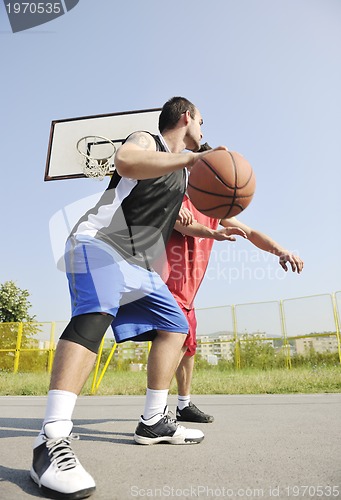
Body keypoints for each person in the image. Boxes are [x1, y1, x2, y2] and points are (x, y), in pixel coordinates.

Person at [30, 98, 224, 500]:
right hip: (100, 243)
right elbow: (126, 162)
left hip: (139, 266)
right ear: (186, 117)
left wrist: (214, 233)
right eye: (202, 121)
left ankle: (154, 420)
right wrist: (186, 160)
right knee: (94, 313)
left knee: (175, 324)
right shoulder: (148, 141)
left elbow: (184, 225)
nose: (204, 129)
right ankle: (50, 440)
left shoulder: (181, 178)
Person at [158, 144, 304, 424]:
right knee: (174, 345)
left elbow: (249, 233)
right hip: (168, 285)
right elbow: (183, 226)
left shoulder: (212, 205)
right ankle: (156, 411)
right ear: (194, 168)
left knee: (189, 348)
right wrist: (215, 233)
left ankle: (183, 405)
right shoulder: (176, 196)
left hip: (189, 291)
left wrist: (282, 250)